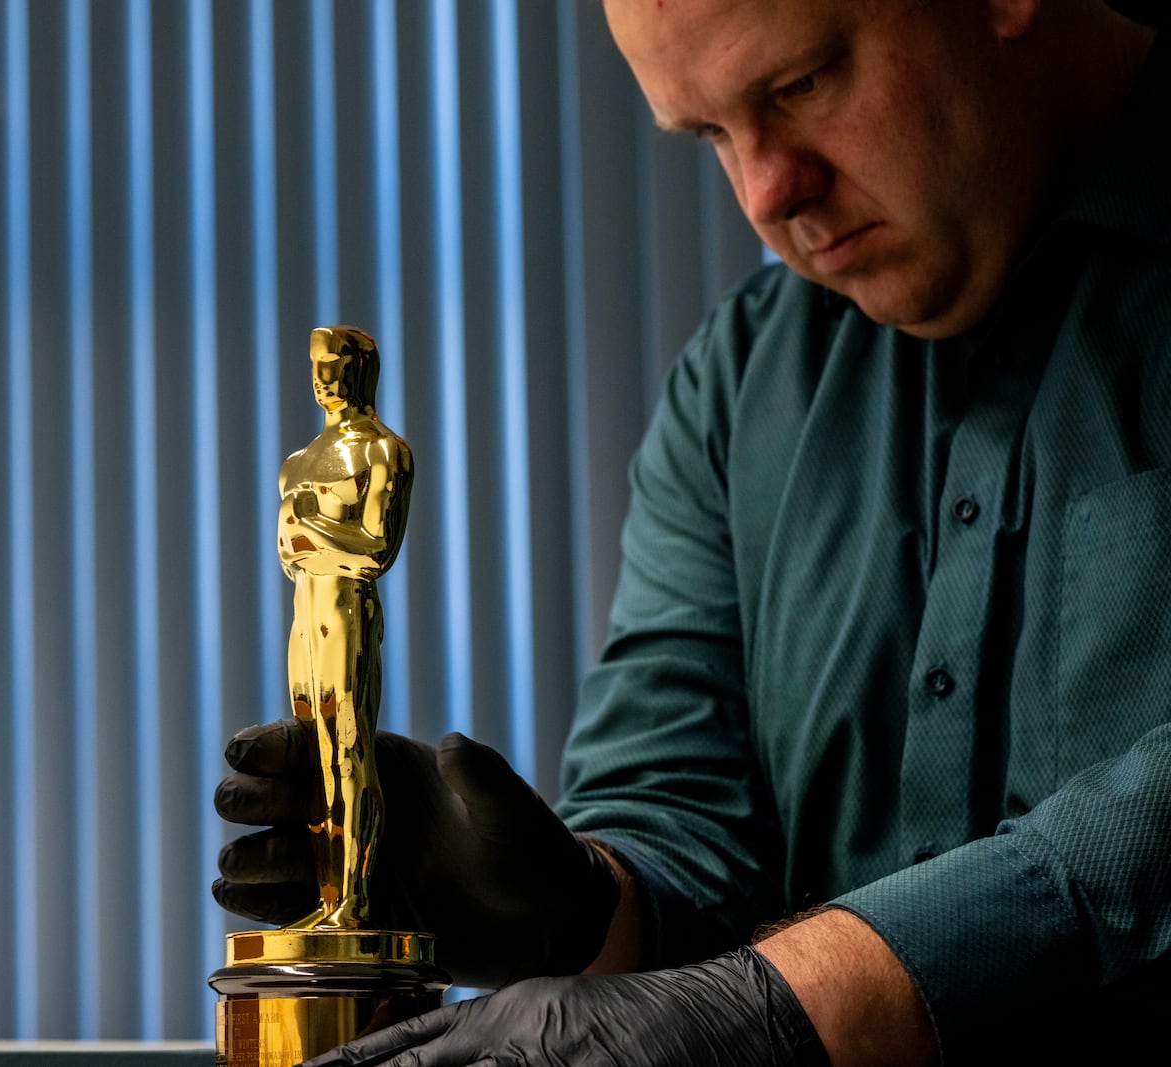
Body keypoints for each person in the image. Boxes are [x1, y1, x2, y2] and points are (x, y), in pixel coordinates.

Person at [212, 0, 1171, 1062]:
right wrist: (579, 903)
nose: (767, 193)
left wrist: (808, 997)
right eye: (710, 134)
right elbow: (678, 800)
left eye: (802, 83)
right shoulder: (742, 381)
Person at [276, 326, 414, 930]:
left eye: (332, 365)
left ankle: (353, 903)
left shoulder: (383, 452)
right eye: (315, 365)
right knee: (312, 757)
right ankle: (326, 900)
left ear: (360, 370)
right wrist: (309, 535)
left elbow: (375, 551)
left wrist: (308, 528)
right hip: (305, 615)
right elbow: (286, 553)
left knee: (348, 753)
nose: (321, 377)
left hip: (346, 614)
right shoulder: (298, 461)